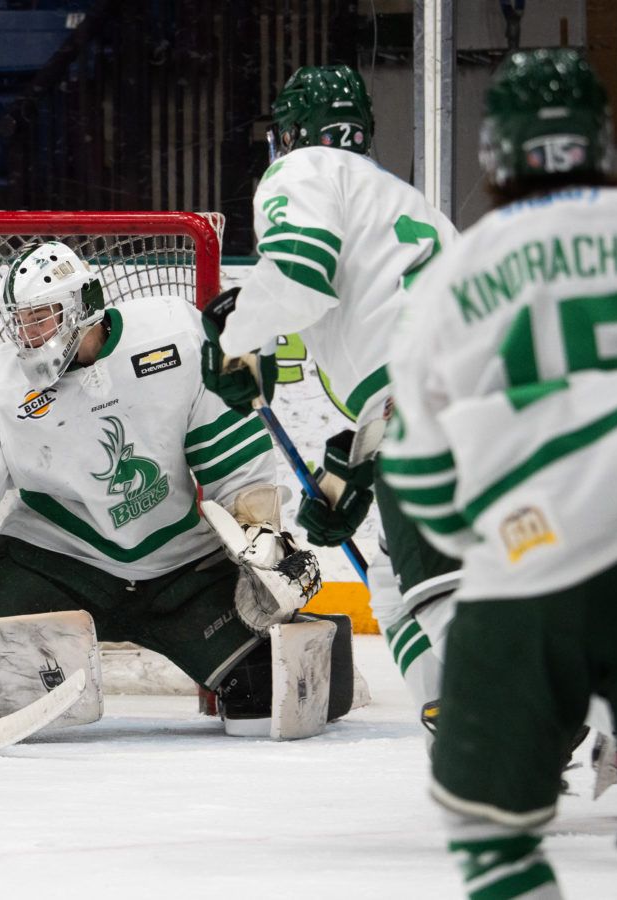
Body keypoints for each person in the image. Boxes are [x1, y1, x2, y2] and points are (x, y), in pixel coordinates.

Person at [0, 240, 357, 742]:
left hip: (183, 569)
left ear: (88, 304)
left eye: (44, 318)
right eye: (22, 321)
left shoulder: (174, 334)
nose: (29, 335)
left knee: (276, 693)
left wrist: (259, 536)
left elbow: (232, 460)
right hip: (52, 564)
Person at [380, 48, 617, 897]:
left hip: (535, 565)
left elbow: (419, 472)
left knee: (491, 837)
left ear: (497, 154)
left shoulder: (455, 276)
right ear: (600, 142)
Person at [200, 64, 461, 734]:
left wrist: (238, 332)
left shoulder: (304, 171)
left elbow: (299, 275)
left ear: (289, 132)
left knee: (420, 590)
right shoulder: (404, 201)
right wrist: (351, 469)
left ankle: (493, 716)